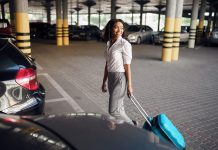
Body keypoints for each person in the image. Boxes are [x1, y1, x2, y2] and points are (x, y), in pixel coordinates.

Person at [101, 19, 136, 125]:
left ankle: (132, 125)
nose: (119, 30)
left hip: (120, 79)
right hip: (111, 78)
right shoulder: (108, 43)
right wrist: (104, 82)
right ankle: (124, 128)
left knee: (113, 110)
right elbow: (107, 64)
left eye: (121, 28)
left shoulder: (124, 44)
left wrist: (129, 85)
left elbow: (127, 65)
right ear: (111, 28)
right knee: (119, 108)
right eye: (116, 27)